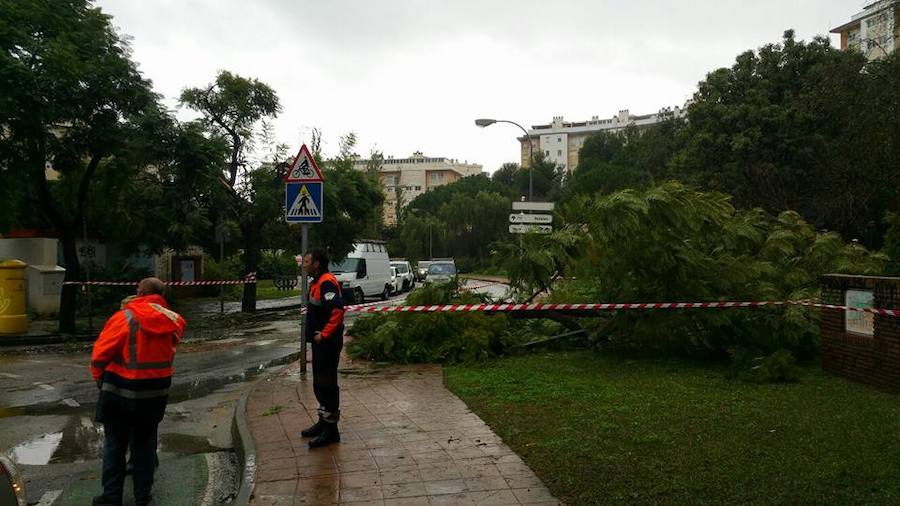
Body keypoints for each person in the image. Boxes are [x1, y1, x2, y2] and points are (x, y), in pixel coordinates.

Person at [90, 277, 186, 506]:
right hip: (155, 392)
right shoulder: (173, 320)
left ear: (139, 292)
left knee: (115, 444)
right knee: (145, 443)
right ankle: (143, 495)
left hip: (119, 391)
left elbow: (100, 354)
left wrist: (98, 377)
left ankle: (111, 497)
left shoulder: (124, 318)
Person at [300, 248, 345, 448]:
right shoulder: (316, 282)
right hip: (320, 343)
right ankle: (323, 422)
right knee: (320, 383)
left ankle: (331, 430)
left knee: (327, 384)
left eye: (308, 261)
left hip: (327, 343)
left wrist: (324, 334)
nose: (304, 265)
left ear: (317, 263)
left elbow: (336, 311)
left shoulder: (326, 282)